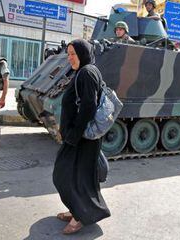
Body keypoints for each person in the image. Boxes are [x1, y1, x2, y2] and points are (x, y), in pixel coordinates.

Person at [53, 39, 110, 234]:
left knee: (68, 175)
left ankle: (79, 217)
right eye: (68, 54)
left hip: (81, 137)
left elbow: (88, 106)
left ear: (83, 53)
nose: (70, 58)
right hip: (78, 136)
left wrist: (75, 134)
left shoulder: (87, 73)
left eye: (73, 54)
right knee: (75, 175)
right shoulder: (84, 71)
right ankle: (76, 210)